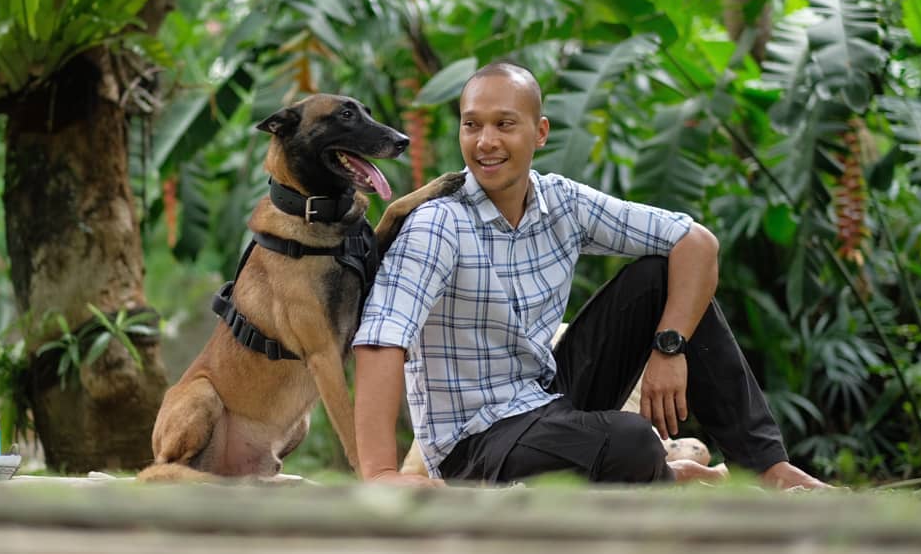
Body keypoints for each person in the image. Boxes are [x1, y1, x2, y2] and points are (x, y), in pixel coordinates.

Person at [352, 62, 828, 489]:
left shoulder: (561, 202)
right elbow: (382, 337)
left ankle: (768, 468)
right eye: (472, 125)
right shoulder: (437, 225)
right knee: (631, 440)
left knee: (659, 276)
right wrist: (380, 474)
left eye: (504, 125)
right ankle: (670, 476)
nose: (486, 142)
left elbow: (696, 243)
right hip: (475, 445)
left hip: (547, 399)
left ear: (539, 133)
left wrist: (670, 346)